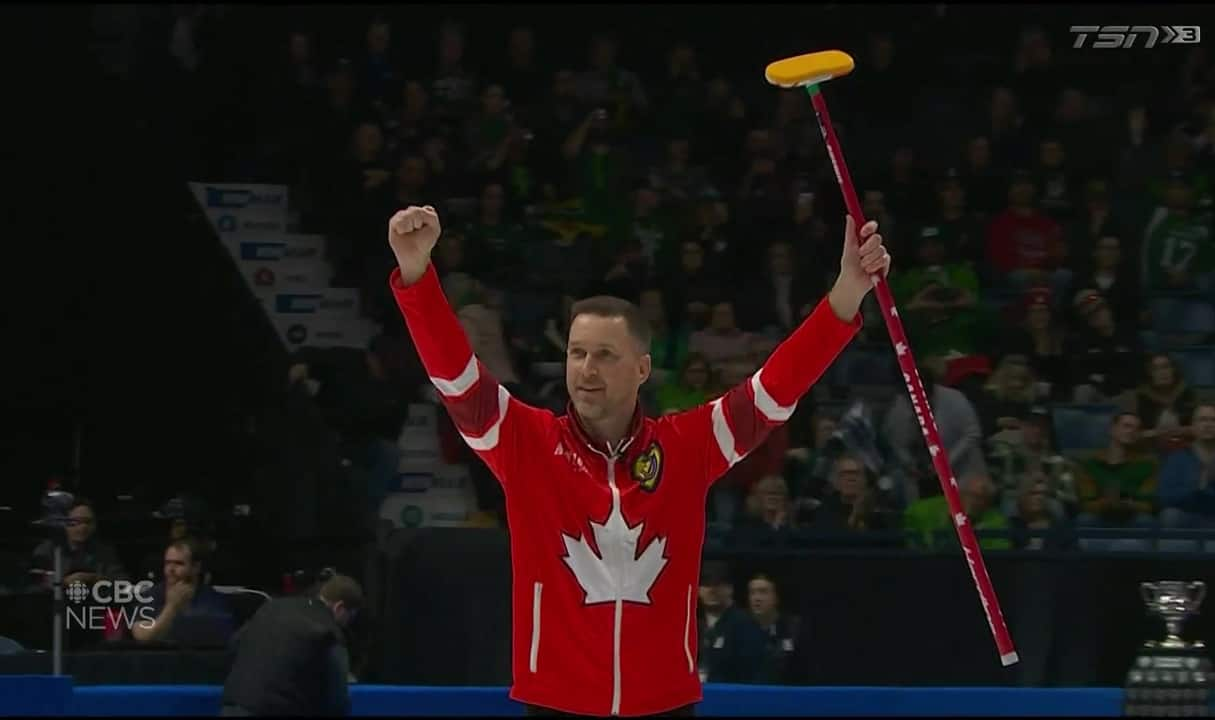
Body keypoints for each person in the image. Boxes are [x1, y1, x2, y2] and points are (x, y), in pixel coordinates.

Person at [386, 204, 890, 716]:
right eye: (577, 353)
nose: (586, 369)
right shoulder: (526, 444)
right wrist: (417, 276)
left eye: (605, 355)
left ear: (643, 367)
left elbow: (773, 392)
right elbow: (456, 379)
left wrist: (846, 293)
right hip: (555, 704)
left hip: (665, 705)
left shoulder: (686, 447)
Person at [221, 574, 363, 717]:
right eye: (349, 617)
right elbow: (337, 700)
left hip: (233, 706)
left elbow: (234, 644)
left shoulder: (272, 607)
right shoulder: (329, 633)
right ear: (339, 607)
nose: (346, 625)